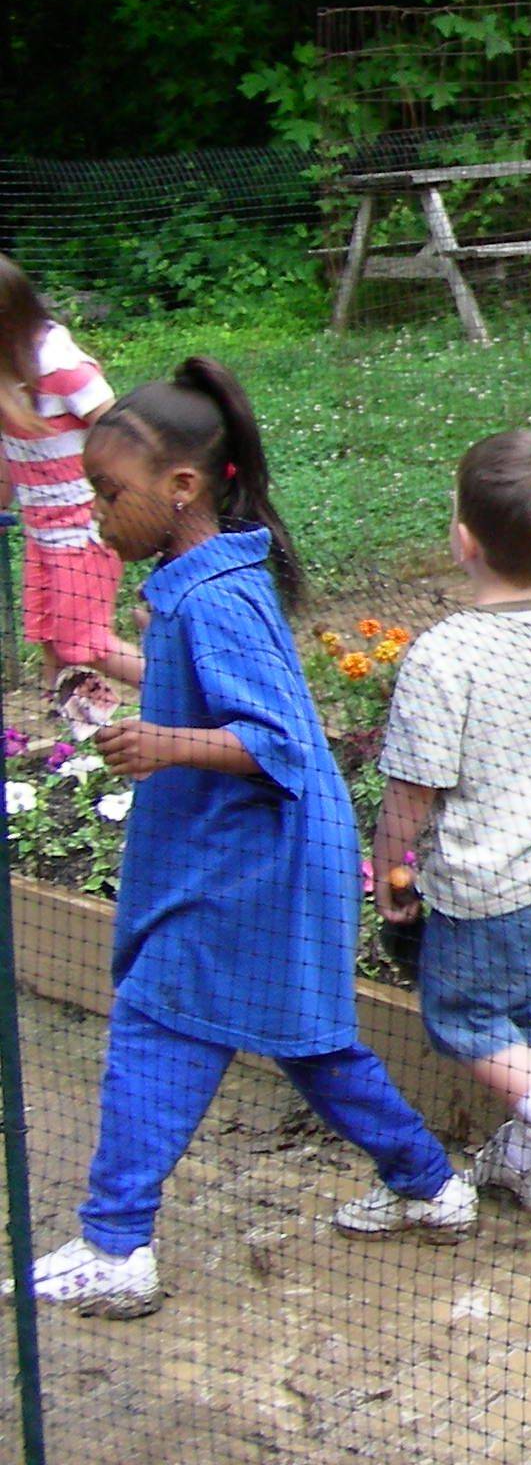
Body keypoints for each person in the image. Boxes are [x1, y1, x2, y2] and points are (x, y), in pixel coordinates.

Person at [14, 360, 470, 1318]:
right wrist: (111, 658)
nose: (96, 514)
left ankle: (115, 1246)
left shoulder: (215, 596)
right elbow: (214, 690)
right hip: (263, 859)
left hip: (251, 863)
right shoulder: (203, 581)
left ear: (181, 488)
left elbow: (273, 744)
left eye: (109, 494)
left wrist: (163, 743)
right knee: (307, 1040)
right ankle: (433, 1187)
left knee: (157, 1015)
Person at [372, 430, 531, 1213]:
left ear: (463, 537)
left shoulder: (446, 654)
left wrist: (387, 869)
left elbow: (410, 793)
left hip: (488, 885)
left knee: (465, 1016)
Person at [0, 254, 123, 700]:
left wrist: (113, 502)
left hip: (85, 530)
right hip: (43, 531)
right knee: (53, 639)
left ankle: (180, 695)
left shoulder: (60, 366)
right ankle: (77, 742)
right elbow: (7, 454)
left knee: (85, 645)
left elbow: (120, 428)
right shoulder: (5, 372)